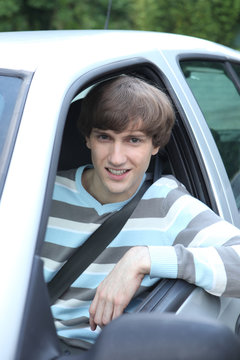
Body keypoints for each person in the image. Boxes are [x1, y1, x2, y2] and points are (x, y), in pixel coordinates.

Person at [41, 75, 240, 351]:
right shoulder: (42, 193)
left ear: (156, 145)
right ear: (87, 139)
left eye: (133, 140)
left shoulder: (166, 203)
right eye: (104, 137)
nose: (116, 157)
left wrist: (143, 258)